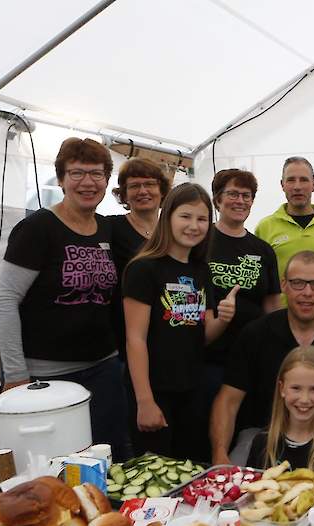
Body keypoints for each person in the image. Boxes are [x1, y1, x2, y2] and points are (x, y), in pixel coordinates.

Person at [0, 137, 128, 456]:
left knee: (110, 455)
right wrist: (15, 376)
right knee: (57, 463)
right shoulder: (38, 228)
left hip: (103, 368)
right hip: (46, 376)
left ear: (107, 180)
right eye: (77, 173)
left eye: (97, 174)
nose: (88, 182)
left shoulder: (106, 229)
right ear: (62, 178)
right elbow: (6, 300)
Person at [210, 251, 314, 465]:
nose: (307, 292)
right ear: (284, 285)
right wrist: (219, 454)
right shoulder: (255, 334)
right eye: (298, 283)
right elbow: (228, 400)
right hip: (262, 437)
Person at [123, 183, 237, 460]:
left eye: (201, 219)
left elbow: (204, 334)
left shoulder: (201, 270)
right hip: (155, 391)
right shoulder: (143, 268)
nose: (194, 226)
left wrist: (223, 318)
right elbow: (135, 339)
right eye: (185, 216)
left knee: (192, 469)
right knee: (156, 476)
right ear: (168, 217)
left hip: (193, 389)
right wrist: (145, 401)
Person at [203, 169, 282, 457]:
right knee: (208, 433)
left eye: (246, 195)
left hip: (252, 358)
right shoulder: (202, 241)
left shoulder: (262, 250)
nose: (240, 201)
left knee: (247, 434)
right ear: (217, 200)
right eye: (232, 194)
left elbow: (273, 306)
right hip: (210, 357)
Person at [246, 346, 314, 487]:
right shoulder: (262, 442)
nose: (304, 399)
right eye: (296, 388)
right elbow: (249, 496)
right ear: (282, 388)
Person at [106, 158, 171, 363]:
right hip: (126, 337)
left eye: (150, 184)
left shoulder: (175, 232)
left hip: (168, 333)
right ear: (124, 194)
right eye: (134, 186)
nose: (143, 191)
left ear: (162, 190)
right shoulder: (110, 228)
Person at [254, 157, 314, 285]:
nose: (297, 187)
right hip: (280, 305)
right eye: (291, 180)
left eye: (303, 180)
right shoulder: (265, 227)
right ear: (282, 185)